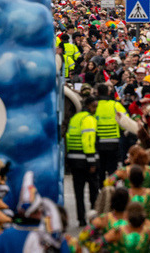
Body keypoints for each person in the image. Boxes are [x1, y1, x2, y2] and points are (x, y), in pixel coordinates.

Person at [65, 97, 99, 226]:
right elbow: (88, 141)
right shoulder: (89, 120)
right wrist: (92, 162)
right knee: (93, 191)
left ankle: (81, 219)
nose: (95, 109)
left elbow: (68, 137)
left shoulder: (75, 118)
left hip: (74, 160)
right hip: (86, 160)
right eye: (94, 106)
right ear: (89, 106)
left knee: (78, 192)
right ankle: (94, 217)